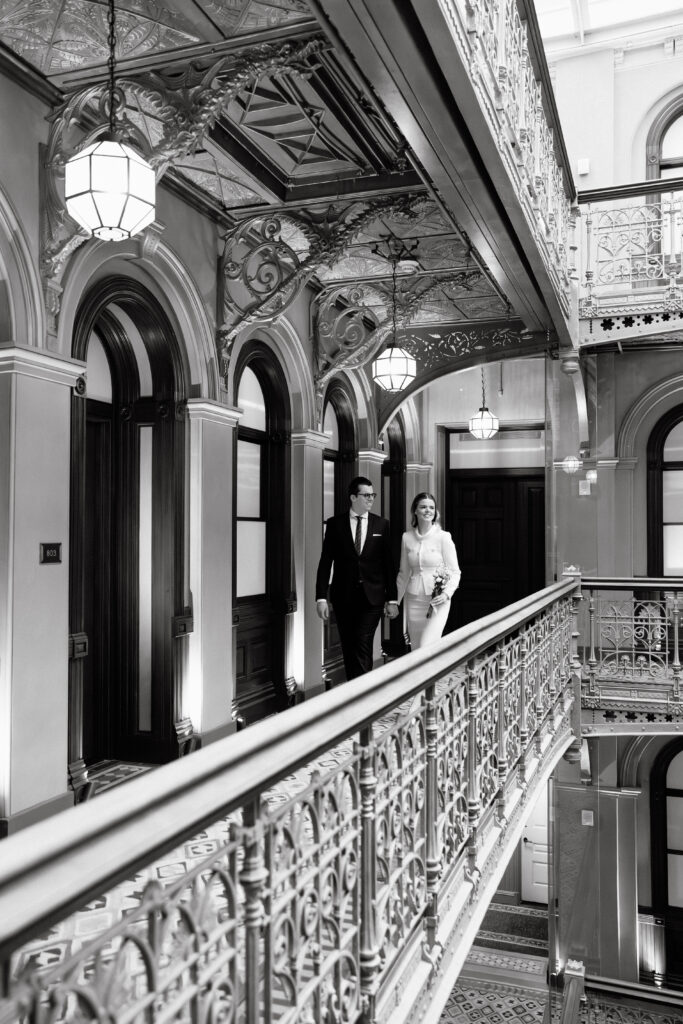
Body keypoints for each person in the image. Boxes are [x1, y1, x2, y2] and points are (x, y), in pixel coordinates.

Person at [316, 476, 399, 680]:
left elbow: (389, 565)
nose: (371, 498)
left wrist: (392, 599)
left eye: (373, 495)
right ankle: (356, 689)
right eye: (366, 495)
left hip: (373, 597)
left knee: (362, 640)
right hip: (343, 596)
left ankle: (361, 694)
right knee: (349, 643)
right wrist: (320, 598)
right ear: (353, 497)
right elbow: (325, 562)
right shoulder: (335, 524)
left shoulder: (382, 525)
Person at [397, 492, 461, 649]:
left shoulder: (443, 537)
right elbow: (403, 573)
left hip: (437, 600)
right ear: (415, 511)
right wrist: (394, 601)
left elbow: (455, 571)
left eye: (431, 507)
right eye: (423, 507)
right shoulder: (407, 537)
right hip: (413, 599)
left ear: (435, 512)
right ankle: (422, 674)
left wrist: (447, 594)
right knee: (417, 647)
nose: (428, 510)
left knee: (428, 645)